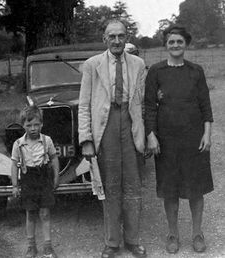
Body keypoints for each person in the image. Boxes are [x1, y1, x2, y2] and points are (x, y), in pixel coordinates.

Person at [78, 19, 147, 258]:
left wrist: (147, 134)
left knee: (133, 185)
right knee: (110, 186)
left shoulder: (138, 63)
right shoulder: (92, 65)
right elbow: (85, 104)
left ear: (126, 37)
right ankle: (112, 242)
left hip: (130, 123)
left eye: (121, 36)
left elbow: (143, 103)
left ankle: (133, 240)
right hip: (105, 126)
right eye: (112, 36)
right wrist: (86, 139)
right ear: (104, 39)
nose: (117, 41)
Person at [144, 24, 214, 254]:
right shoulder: (156, 71)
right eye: (171, 42)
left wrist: (207, 133)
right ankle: (172, 234)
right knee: (170, 189)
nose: (175, 45)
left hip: (194, 138)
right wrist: (151, 135)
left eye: (179, 42)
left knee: (196, 189)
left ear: (186, 44)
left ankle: (197, 233)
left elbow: (206, 106)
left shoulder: (196, 71)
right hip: (166, 140)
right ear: (166, 45)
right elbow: (149, 106)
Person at [11, 105, 59, 258]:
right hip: (28, 180)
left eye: (36, 125)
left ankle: (48, 246)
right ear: (23, 125)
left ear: (41, 124)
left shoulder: (47, 140)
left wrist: (56, 177)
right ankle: (31, 246)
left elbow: (54, 158)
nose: (33, 128)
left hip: (44, 178)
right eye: (29, 125)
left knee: (45, 213)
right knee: (30, 213)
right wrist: (14, 186)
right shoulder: (18, 144)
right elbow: (14, 165)